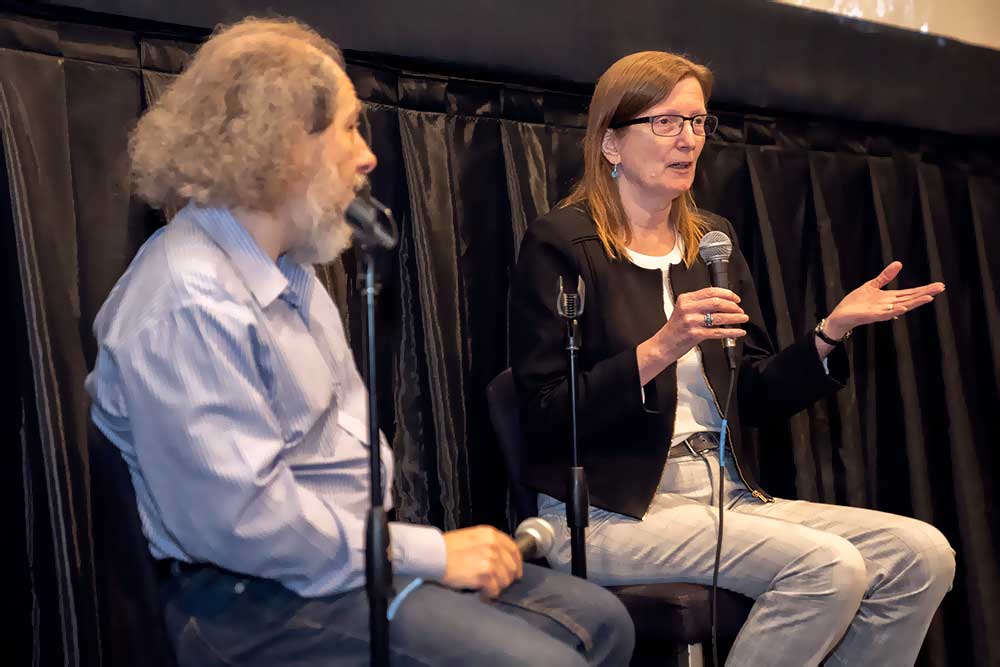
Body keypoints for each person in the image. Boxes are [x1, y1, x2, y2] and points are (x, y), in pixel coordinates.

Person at [85, 17, 634, 666]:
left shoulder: (291, 270)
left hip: (338, 562)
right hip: (251, 598)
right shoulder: (189, 300)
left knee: (603, 621)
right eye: (348, 127)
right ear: (282, 143)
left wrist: (407, 550)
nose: (368, 155)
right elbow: (246, 526)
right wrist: (432, 553)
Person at [510, 51, 955, 667]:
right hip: (611, 509)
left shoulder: (708, 242)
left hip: (725, 494)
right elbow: (544, 411)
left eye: (697, 122)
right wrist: (663, 345)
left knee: (920, 554)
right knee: (828, 568)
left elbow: (756, 393)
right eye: (665, 122)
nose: (687, 139)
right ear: (611, 142)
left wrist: (829, 332)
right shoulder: (564, 244)